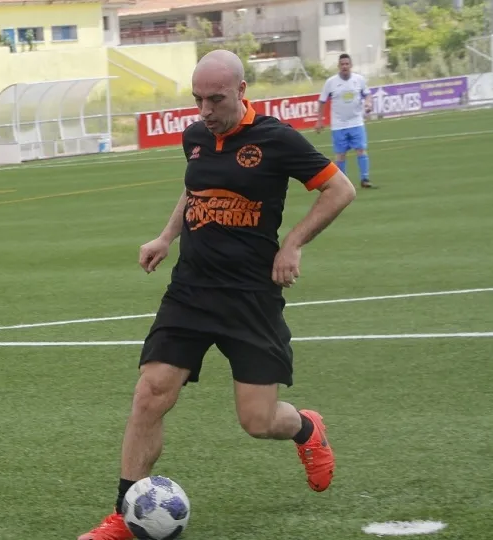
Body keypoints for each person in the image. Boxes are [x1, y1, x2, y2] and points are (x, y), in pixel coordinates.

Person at [77, 50, 357, 540]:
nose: (204, 111)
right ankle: (124, 515)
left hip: (251, 296)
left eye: (215, 99)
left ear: (242, 90)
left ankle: (306, 428)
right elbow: (195, 189)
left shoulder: (276, 139)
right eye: (197, 99)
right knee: (150, 393)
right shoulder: (195, 137)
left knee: (258, 420)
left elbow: (339, 190)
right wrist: (166, 237)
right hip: (192, 289)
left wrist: (292, 244)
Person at [316, 53, 375, 188]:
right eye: (342, 64)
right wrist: (319, 120)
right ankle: (342, 184)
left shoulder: (359, 80)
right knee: (340, 155)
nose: (344, 66)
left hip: (356, 122)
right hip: (338, 125)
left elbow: (367, 95)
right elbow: (322, 101)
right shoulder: (331, 82)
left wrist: (368, 104)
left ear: (351, 65)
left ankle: (365, 179)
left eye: (347, 64)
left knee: (361, 150)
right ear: (338, 66)